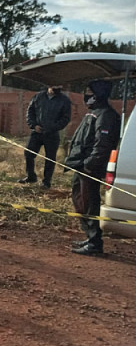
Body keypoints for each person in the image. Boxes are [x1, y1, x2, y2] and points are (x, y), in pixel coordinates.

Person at [65, 80, 121, 256]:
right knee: (80, 200)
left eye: (90, 92)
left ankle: (95, 242)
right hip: (80, 166)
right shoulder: (93, 113)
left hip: (89, 168)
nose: (86, 96)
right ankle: (89, 236)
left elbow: (102, 145)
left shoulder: (106, 115)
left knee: (90, 203)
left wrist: (89, 165)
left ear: (99, 94)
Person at [18, 86, 71, 188]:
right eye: (54, 85)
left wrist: (53, 127)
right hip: (37, 132)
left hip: (52, 134)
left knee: (50, 159)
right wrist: (33, 125)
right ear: (49, 85)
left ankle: (46, 182)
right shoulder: (39, 96)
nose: (57, 87)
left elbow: (66, 118)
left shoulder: (64, 100)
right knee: (29, 153)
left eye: (59, 86)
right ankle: (31, 177)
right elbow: (30, 111)